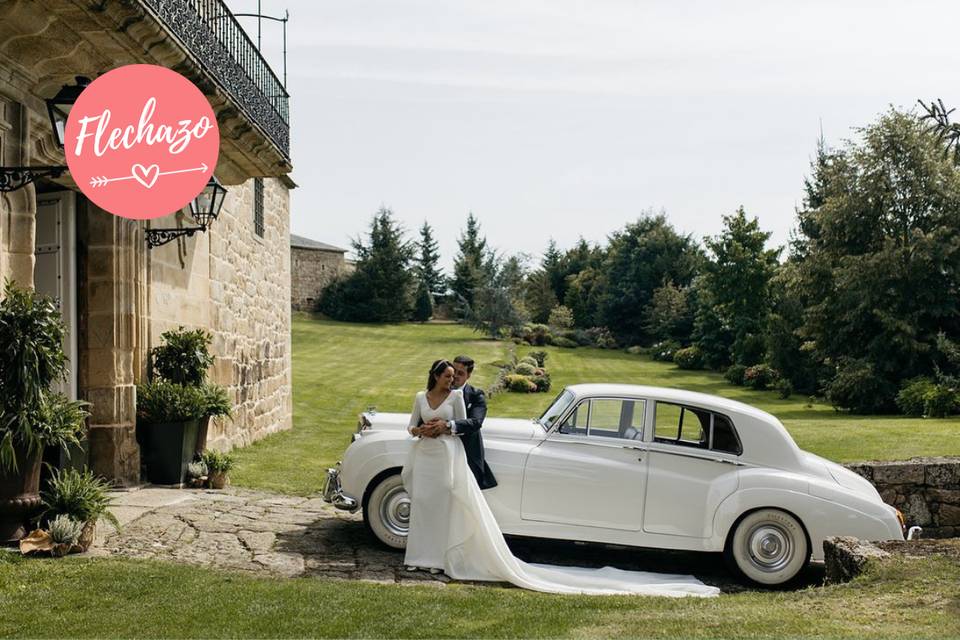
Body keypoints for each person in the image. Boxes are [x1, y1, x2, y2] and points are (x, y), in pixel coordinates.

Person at [401, 358, 719, 597]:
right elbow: (416, 425)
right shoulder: (424, 397)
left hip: (444, 455)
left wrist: (445, 428)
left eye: (457, 374)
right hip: (431, 457)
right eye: (449, 373)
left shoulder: (460, 398)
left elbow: (471, 423)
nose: (453, 378)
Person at [417, 355, 497, 490]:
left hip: (466, 457)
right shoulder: (434, 394)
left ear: (469, 375)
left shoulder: (476, 395)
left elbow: (475, 422)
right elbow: (421, 422)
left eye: (461, 373)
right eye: (454, 371)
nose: (455, 376)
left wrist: (447, 425)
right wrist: (425, 429)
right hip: (437, 456)